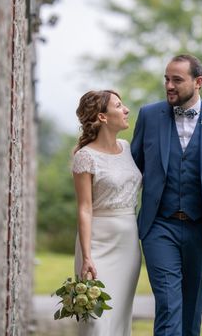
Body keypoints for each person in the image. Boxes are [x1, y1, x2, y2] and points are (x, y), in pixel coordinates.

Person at [131, 54, 202, 336]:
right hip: (159, 226)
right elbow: (131, 168)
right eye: (166, 79)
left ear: (198, 82)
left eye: (176, 80)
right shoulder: (149, 115)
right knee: (169, 307)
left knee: (191, 314)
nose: (169, 86)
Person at [72, 90, 142, 336]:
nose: (126, 110)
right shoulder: (85, 157)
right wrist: (87, 256)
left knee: (120, 318)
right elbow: (84, 208)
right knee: (96, 321)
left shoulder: (127, 147)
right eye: (119, 106)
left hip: (128, 244)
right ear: (102, 117)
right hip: (98, 244)